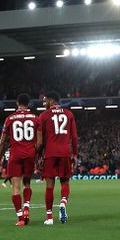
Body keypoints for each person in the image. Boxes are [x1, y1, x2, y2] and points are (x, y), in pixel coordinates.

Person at [0, 94, 39, 226]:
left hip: (15, 155)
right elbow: (40, 141)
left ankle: (20, 218)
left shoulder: (10, 119)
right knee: (27, 184)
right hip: (30, 154)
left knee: (15, 187)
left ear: (17, 103)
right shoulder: (35, 118)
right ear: (29, 104)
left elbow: (2, 142)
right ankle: (26, 208)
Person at [36, 91, 77, 225]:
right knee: (65, 182)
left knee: (49, 186)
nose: (44, 103)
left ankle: (49, 218)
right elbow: (74, 138)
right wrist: (74, 154)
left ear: (51, 100)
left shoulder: (43, 116)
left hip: (50, 153)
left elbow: (40, 142)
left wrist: (38, 156)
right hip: (65, 152)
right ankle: (63, 203)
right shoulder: (69, 114)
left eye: (45, 100)